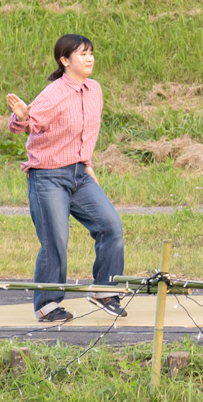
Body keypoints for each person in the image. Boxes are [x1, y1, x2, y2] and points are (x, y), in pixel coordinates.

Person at [7, 34, 126, 322]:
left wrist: (88, 165)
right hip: (48, 177)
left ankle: (104, 290)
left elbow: (88, 132)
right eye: (82, 54)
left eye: (91, 53)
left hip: (80, 174)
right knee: (55, 240)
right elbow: (23, 125)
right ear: (65, 60)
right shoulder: (54, 93)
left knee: (111, 227)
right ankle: (47, 305)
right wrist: (22, 115)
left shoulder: (94, 89)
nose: (89, 59)